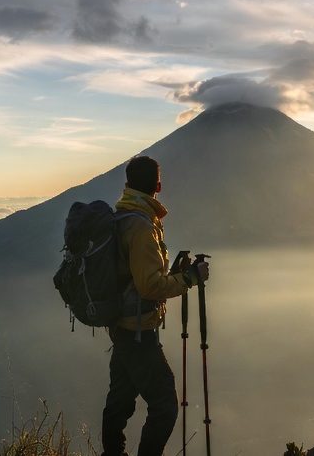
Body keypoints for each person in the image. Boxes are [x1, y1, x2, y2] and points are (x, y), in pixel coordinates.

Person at [102, 155, 210, 456]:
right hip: (138, 334)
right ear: (158, 186)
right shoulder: (141, 226)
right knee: (164, 405)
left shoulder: (122, 217)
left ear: (127, 185)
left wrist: (174, 275)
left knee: (119, 402)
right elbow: (148, 285)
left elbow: (136, 277)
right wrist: (189, 278)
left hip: (122, 328)